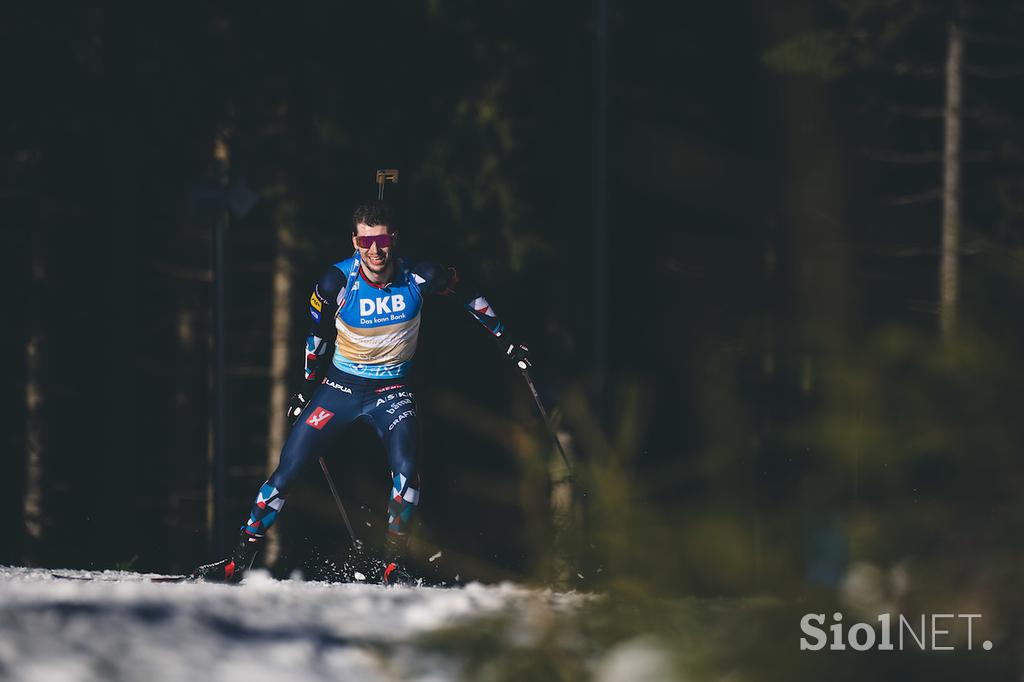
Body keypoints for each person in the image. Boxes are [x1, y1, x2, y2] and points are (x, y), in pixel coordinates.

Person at [193, 200, 530, 584]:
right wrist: (305, 389)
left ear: (393, 239)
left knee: (407, 471)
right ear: (355, 242)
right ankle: (239, 560)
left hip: (392, 390)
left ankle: (393, 564)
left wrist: (506, 339)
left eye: (382, 239)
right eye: (366, 241)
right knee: (286, 472)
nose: (375, 250)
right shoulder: (335, 282)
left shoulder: (420, 276)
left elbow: (468, 293)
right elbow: (317, 337)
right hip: (339, 388)